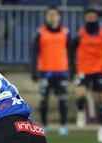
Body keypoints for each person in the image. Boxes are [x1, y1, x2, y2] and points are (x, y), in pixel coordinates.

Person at [71, 9, 102, 143]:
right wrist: (72, 68)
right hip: (83, 69)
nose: (91, 20)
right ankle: (81, 111)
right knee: (80, 93)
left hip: (99, 70)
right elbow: (70, 50)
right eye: (88, 17)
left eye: (93, 17)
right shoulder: (80, 34)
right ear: (85, 19)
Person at [32, 6, 70, 135]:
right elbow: (34, 52)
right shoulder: (40, 32)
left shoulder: (66, 32)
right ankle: (45, 125)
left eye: (54, 15)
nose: (52, 17)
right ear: (46, 17)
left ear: (59, 16)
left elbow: (70, 52)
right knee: (44, 100)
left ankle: (63, 126)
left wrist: (72, 69)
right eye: (50, 15)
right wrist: (34, 70)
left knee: (63, 100)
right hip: (45, 71)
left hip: (62, 71)